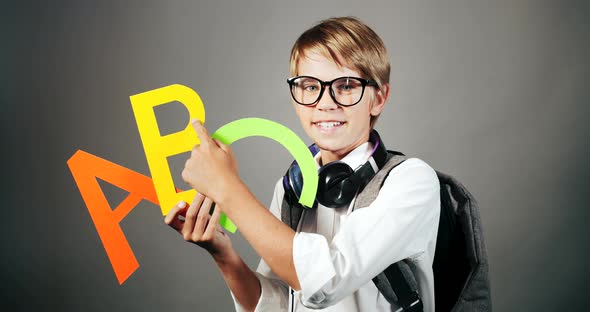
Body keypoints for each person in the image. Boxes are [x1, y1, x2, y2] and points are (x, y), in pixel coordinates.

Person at [165, 16, 441, 312]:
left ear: (379, 98)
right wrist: (223, 255)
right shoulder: (292, 189)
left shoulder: (411, 181)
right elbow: (283, 305)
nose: (325, 103)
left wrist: (227, 188)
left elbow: (326, 280)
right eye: (309, 87)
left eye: (346, 86)